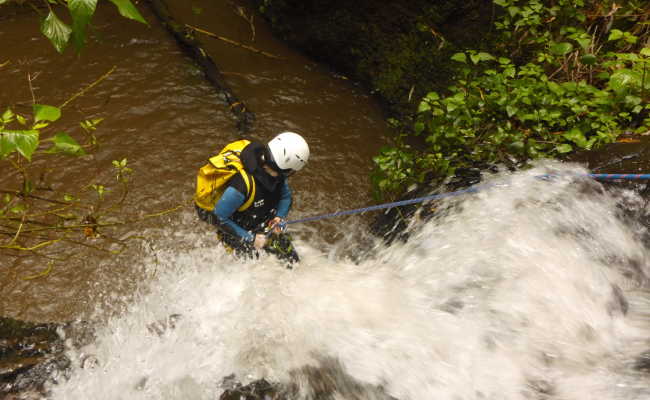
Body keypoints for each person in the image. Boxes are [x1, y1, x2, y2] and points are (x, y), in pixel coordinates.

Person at [195, 132, 309, 265]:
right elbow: (219, 217)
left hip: (263, 223)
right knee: (254, 271)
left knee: (292, 262)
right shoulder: (241, 186)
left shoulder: (277, 176)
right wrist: (251, 239)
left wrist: (278, 217)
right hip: (235, 232)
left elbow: (285, 197)